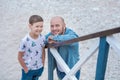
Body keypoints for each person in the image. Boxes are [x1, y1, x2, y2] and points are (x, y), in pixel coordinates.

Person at [18, 15, 45, 80]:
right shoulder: (25, 40)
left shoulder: (42, 38)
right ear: (30, 26)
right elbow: (19, 57)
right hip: (28, 69)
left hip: (39, 68)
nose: (39, 28)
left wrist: (43, 65)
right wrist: (25, 68)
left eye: (41, 26)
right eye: (37, 26)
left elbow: (43, 52)